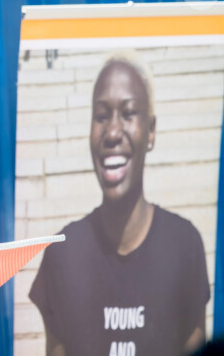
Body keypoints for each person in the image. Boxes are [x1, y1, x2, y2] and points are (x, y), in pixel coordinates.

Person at [29, 51, 210, 356]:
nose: (112, 132)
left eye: (128, 114)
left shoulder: (184, 245)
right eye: (101, 116)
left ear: (151, 131)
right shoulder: (63, 253)